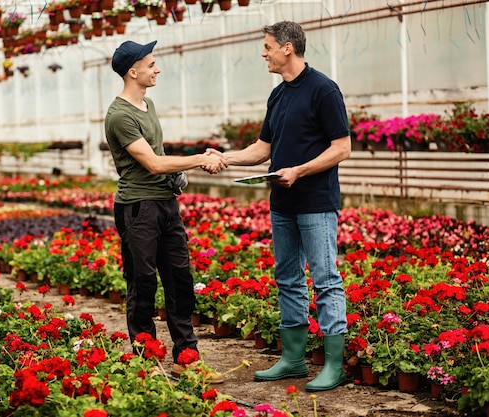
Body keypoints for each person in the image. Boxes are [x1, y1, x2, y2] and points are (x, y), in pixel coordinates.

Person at [208, 20, 351, 391]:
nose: (263, 53)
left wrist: (300, 171)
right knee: (287, 278)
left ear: (288, 47)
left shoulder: (323, 89)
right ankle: (292, 360)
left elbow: (341, 148)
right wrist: (227, 159)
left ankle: (334, 365)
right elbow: (264, 150)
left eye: (268, 46)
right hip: (282, 202)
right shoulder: (279, 94)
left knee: (326, 281)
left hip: (316, 202)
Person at [104, 39, 226, 383]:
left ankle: (186, 359)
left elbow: (161, 158)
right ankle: (146, 363)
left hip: (166, 205)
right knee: (142, 286)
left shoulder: (148, 105)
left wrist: (180, 174)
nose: (157, 69)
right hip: (138, 208)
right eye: (152, 64)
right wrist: (201, 159)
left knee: (180, 281)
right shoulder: (119, 116)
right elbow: (154, 163)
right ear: (134, 71)